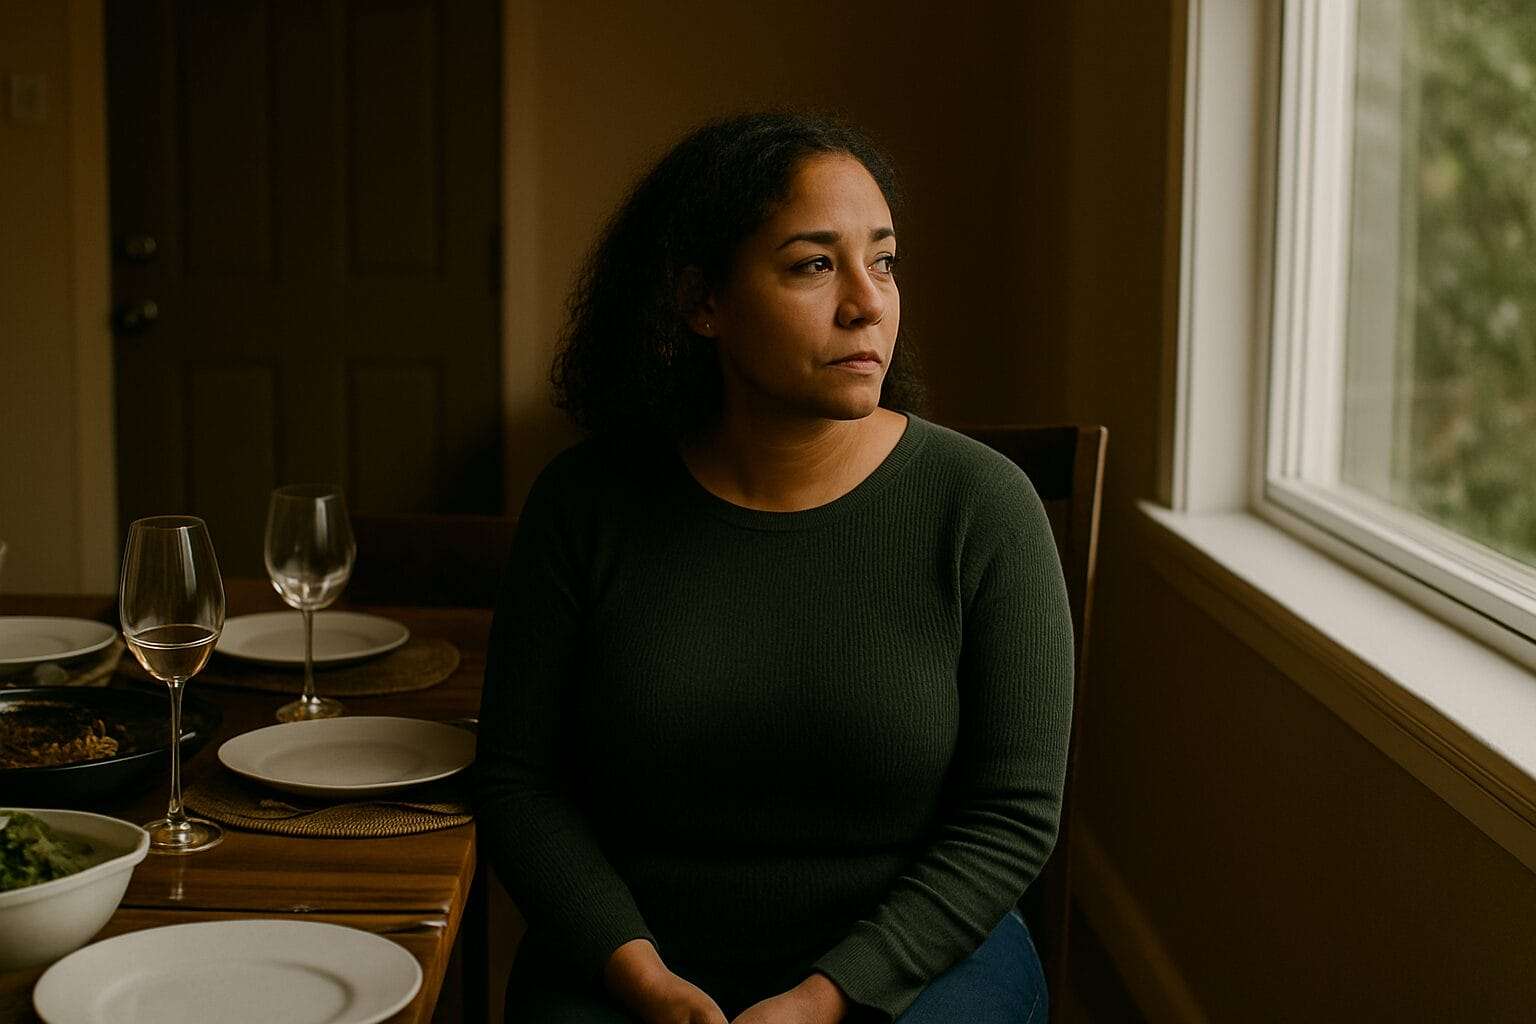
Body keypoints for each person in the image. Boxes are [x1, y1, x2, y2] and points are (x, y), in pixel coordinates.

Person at [474, 111, 1074, 1024]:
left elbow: (1012, 813)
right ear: (700, 301)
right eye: (814, 264)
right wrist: (640, 976)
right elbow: (519, 781)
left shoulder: (983, 508)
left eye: (884, 260)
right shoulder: (585, 505)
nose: (868, 302)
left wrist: (828, 997)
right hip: (639, 955)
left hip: (918, 956)